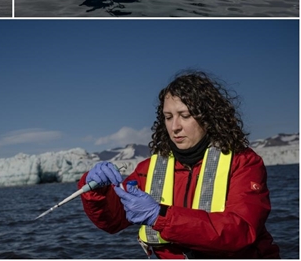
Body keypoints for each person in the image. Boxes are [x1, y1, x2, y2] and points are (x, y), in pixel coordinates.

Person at [80, 71, 280, 258]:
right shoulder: (148, 170)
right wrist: (97, 191)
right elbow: (113, 221)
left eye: (185, 116)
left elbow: (241, 230)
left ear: (208, 117)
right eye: (168, 117)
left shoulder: (243, 162)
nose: (175, 127)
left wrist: (160, 216)